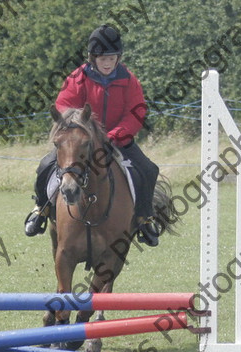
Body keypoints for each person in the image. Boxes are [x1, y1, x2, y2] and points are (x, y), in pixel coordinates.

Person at [24, 24, 160, 246]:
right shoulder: (78, 78)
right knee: (45, 166)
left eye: (111, 58)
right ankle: (41, 209)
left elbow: (136, 111)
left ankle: (145, 218)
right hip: (80, 141)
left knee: (148, 169)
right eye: (102, 58)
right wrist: (80, 131)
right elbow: (65, 106)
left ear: (118, 57)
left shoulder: (129, 80)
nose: (107, 63)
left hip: (118, 141)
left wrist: (114, 136)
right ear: (92, 58)